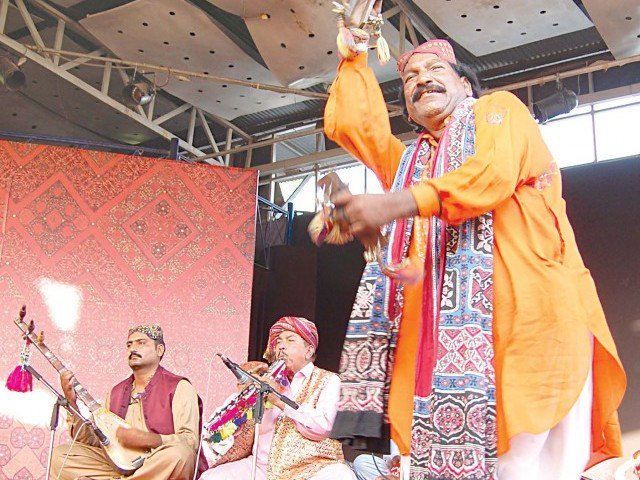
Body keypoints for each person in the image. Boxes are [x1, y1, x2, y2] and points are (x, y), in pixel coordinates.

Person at [324, 38, 626, 480]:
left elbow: (492, 174)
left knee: (531, 471)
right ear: (408, 111)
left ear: (466, 85)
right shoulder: (410, 164)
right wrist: (353, 56)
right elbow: (355, 126)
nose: (421, 78)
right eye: (409, 77)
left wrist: (393, 204)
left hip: (533, 333)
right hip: (438, 356)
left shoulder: (499, 112)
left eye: (435, 69)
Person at [200, 316, 355, 480]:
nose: (281, 346)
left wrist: (280, 401)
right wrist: (244, 399)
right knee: (211, 477)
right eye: (279, 341)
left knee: (340, 475)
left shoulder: (328, 381)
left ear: (308, 351)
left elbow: (324, 427)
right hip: (262, 468)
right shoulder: (265, 381)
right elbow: (234, 429)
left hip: (310, 469)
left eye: (290, 340)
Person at [51, 325, 205, 480]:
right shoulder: (115, 392)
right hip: (119, 466)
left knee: (180, 453)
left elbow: (190, 441)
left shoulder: (179, 387)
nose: (133, 349)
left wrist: (148, 439)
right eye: (129, 345)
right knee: (60, 456)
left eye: (141, 343)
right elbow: (94, 440)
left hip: (157, 464)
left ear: (159, 350)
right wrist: (71, 402)